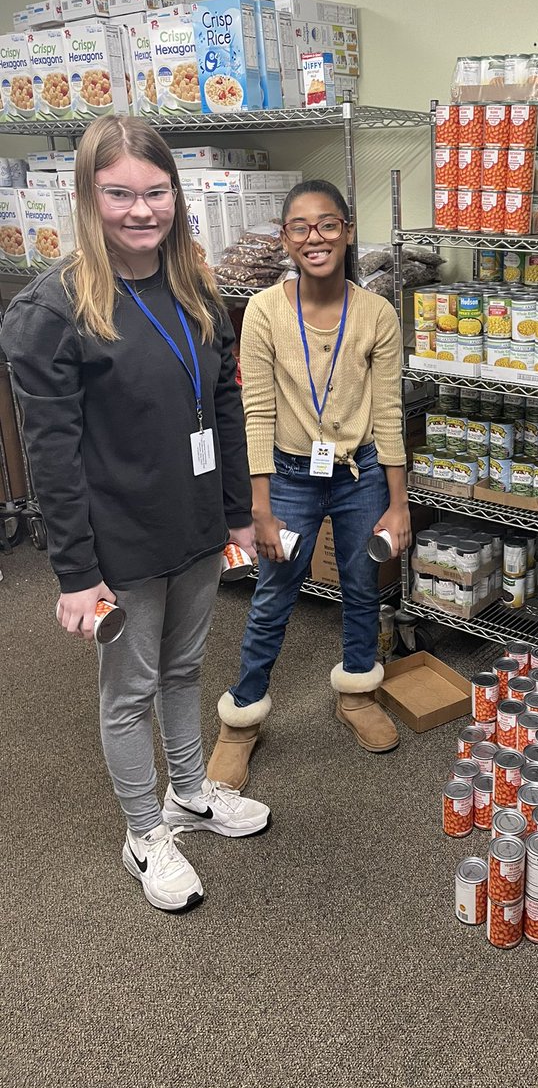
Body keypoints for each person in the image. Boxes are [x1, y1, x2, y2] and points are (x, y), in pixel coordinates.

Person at [0, 115, 270, 913]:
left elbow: (222, 404)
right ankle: (143, 830)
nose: (141, 210)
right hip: (117, 540)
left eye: (156, 192)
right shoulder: (53, 309)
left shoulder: (191, 283)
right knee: (129, 690)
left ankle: (190, 792)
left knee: (185, 669)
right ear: (89, 196)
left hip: (191, 524)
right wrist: (76, 575)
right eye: (120, 193)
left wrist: (234, 515)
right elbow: (50, 453)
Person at [207, 179, 410, 790]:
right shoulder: (266, 311)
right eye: (300, 227)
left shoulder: (377, 313)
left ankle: (356, 692)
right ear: (286, 239)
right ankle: (240, 721)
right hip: (291, 478)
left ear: (348, 232)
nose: (314, 237)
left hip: (361, 473)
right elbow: (259, 413)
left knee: (360, 587)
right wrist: (259, 508)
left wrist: (399, 504)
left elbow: (389, 413)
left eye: (327, 224)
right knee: (273, 596)